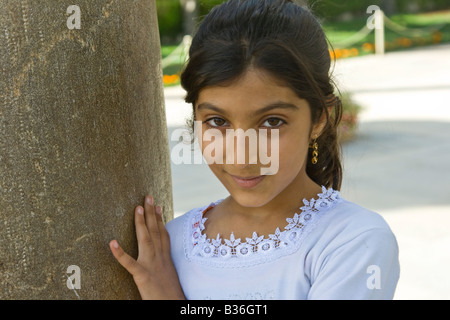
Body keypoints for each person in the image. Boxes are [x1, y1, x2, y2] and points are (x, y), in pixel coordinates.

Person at [109, 0, 400, 300]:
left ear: (319, 119)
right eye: (217, 121)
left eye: (272, 122)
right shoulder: (169, 245)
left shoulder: (352, 241)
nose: (241, 155)